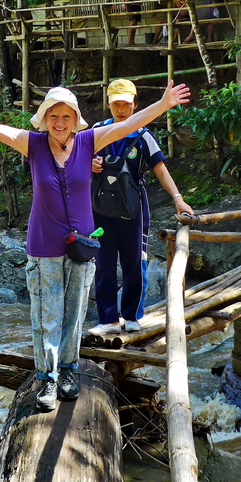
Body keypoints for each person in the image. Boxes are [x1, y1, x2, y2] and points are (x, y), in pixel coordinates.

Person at [0, 80, 191, 412]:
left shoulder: (88, 141)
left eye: (66, 116)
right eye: (53, 115)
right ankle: (48, 377)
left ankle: (68, 371)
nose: (59, 122)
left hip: (83, 244)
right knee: (47, 316)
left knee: (74, 314)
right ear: (44, 118)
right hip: (44, 246)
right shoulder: (33, 144)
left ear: (75, 119)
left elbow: (130, 124)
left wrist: (164, 103)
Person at [89, 79, 195, 336]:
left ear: (135, 105)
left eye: (126, 104)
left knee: (135, 262)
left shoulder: (144, 135)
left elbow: (160, 167)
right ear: (109, 105)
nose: (121, 109)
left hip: (133, 209)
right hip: (100, 208)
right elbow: (77, 159)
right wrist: (89, 164)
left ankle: (133, 316)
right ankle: (108, 320)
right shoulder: (96, 131)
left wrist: (178, 198)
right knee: (103, 263)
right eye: (116, 104)